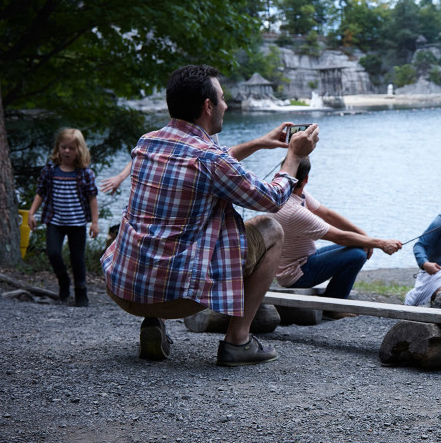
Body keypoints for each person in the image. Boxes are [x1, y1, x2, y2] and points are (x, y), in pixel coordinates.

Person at [101, 64, 318, 366]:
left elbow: (209, 162)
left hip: (123, 288)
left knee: (158, 221)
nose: (226, 105)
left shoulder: (146, 143)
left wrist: (257, 143)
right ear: (207, 106)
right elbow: (271, 199)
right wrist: (294, 156)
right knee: (270, 228)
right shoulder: (210, 159)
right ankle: (238, 341)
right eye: (223, 98)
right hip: (177, 299)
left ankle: (153, 325)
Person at [270, 157, 402, 316]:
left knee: (360, 245)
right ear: (305, 179)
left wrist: (364, 236)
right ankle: (332, 307)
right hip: (296, 274)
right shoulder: (293, 211)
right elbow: (339, 237)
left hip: (303, 261)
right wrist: (380, 243)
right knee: (357, 255)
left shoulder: (292, 194)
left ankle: (334, 300)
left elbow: (328, 214)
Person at [28, 128, 99, 307]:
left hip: (77, 223)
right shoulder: (50, 171)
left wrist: (95, 223)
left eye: (71, 148)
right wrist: (31, 213)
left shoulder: (85, 173)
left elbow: (92, 198)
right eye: (64, 147)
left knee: (77, 259)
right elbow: (40, 193)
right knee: (53, 253)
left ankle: (81, 292)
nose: (67, 151)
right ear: (58, 148)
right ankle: (63, 281)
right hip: (55, 221)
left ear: (79, 151)